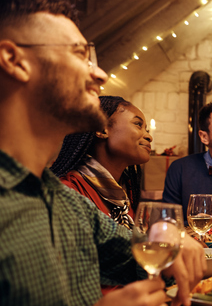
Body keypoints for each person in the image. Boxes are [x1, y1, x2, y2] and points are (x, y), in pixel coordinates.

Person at [0, 0, 205, 306]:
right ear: (14, 60)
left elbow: (140, 251)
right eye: (79, 54)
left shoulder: (66, 203)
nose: (100, 74)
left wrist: (176, 242)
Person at [50, 96, 152, 229]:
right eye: (138, 124)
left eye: (147, 129)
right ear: (102, 129)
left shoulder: (127, 192)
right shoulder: (69, 192)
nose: (149, 136)